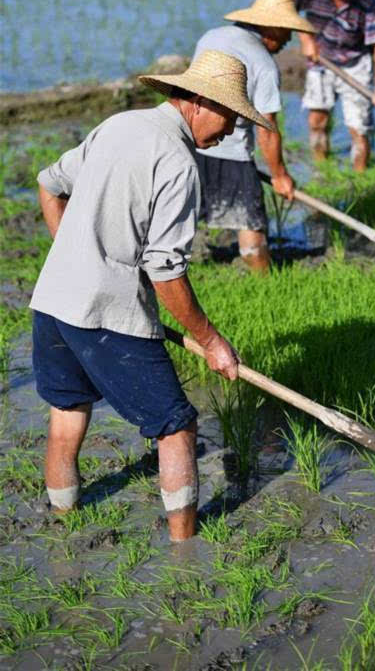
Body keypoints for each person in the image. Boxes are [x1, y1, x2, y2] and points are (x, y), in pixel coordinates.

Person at [30, 50, 275, 543]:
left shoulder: (120, 125)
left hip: (52, 300)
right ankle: (185, 547)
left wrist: (74, 256)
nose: (229, 131)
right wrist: (210, 340)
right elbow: (166, 273)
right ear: (200, 103)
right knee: (176, 426)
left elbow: (48, 184)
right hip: (105, 312)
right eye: (229, 116)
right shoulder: (179, 163)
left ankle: (63, 528)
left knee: (68, 410)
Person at [193, 0, 315, 272]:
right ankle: (266, 284)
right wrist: (281, 175)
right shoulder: (263, 64)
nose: (289, 39)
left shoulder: (211, 38)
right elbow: (267, 128)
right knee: (251, 233)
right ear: (270, 27)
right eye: (286, 31)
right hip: (231, 154)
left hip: (190, 145)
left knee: (178, 221)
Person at [293, 0, 375, 171]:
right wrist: (306, 39)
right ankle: (321, 170)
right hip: (320, 62)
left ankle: (360, 177)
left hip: (355, 64)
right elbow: (286, 10)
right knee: (317, 121)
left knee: (358, 128)